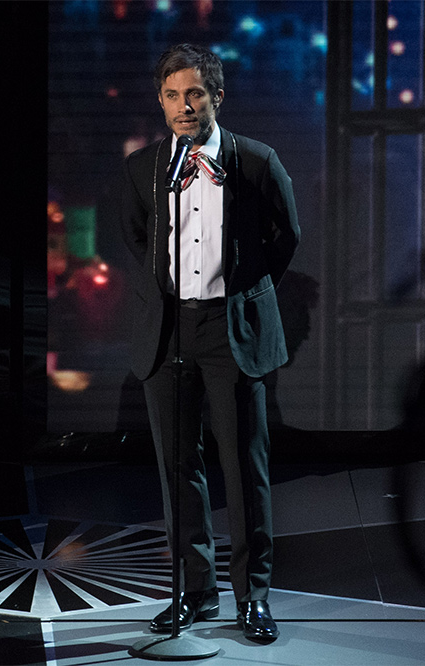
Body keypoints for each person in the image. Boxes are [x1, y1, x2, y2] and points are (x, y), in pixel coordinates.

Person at [119, 43, 300, 642]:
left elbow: (285, 237)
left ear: (217, 97)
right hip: (169, 329)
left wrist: (244, 292)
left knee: (244, 465)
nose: (183, 106)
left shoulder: (254, 161)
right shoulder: (144, 167)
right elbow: (136, 238)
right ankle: (193, 592)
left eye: (194, 93)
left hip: (230, 328)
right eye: (171, 95)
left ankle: (254, 597)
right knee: (178, 467)